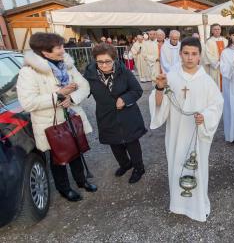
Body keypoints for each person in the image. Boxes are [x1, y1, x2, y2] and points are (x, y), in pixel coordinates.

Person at [149, 37, 223, 222]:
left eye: (194, 54)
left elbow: (217, 104)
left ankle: (197, 206)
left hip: (197, 134)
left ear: (200, 56)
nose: (190, 58)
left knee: (197, 168)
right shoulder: (171, 76)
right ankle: (178, 204)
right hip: (176, 133)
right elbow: (158, 105)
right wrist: (159, 88)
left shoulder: (206, 80)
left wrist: (205, 116)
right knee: (176, 165)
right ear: (180, 54)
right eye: (186, 53)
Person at [16, 32, 97, 202]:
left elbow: (84, 86)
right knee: (58, 158)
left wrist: (72, 98)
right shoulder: (29, 72)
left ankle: (81, 181)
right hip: (50, 123)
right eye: (59, 47)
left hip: (71, 116)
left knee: (76, 150)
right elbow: (28, 103)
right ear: (45, 52)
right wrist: (58, 95)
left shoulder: (66, 64)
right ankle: (64, 189)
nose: (63, 50)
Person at [84, 43, 147, 183]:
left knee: (131, 142)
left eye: (108, 61)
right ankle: (125, 164)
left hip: (127, 115)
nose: (104, 65)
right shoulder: (89, 75)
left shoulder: (123, 71)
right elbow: (82, 91)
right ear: (95, 60)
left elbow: (137, 90)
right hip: (106, 115)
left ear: (114, 59)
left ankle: (139, 167)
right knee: (115, 143)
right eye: (100, 62)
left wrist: (124, 99)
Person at [204, 23, 228, 89]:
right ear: (212, 31)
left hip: (225, 67)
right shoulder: (209, 42)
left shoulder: (225, 41)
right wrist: (218, 62)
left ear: (220, 30)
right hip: (215, 68)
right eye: (215, 29)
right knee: (216, 86)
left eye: (218, 29)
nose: (217, 31)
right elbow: (208, 54)